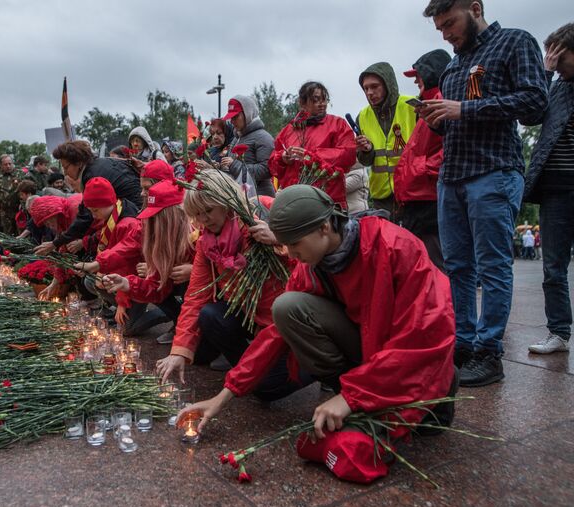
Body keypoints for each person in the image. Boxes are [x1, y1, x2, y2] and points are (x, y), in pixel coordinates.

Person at [178, 185, 456, 484]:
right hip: (365, 349)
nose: (291, 254)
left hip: (405, 358)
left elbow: (424, 336)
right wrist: (224, 395)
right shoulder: (311, 265)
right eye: (285, 245)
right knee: (287, 308)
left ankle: (428, 396)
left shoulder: (396, 247)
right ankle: (345, 392)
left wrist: (351, 398)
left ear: (324, 227)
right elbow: (273, 335)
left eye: (294, 245)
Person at [420, 0, 548, 386]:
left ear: (475, 8)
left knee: (492, 267)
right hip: (453, 175)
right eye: (439, 28)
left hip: (493, 171)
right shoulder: (454, 63)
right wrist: (437, 117)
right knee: (458, 267)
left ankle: (490, 352)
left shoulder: (515, 42)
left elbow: (535, 102)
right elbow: (456, 117)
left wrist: (463, 110)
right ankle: (463, 342)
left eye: (450, 23)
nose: (445, 34)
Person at [156, 170, 289, 383]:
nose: (203, 220)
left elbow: (308, 258)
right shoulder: (206, 242)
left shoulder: (259, 221)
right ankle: (245, 369)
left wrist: (280, 240)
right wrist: (178, 351)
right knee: (210, 314)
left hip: (283, 318)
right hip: (249, 315)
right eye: (197, 214)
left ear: (225, 202)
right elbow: (195, 297)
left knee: (269, 388)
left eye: (208, 211)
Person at [523, 25, 574, 353]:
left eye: (558, 54)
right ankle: (559, 332)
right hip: (556, 188)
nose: (553, 60)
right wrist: (544, 74)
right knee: (553, 267)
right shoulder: (554, 88)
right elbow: (530, 116)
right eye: (549, 54)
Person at [103, 180, 196, 345]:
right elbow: (156, 287)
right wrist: (126, 283)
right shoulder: (161, 241)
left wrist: (194, 270)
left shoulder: (196, 237)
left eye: (155, 218)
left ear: (171, 217)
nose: (150, 224)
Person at [394, 49, 453, 271]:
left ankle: (446, 306)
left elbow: (454, 148)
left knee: (437, 267)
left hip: (430, 200)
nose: (417, 79)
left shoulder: (442, 101)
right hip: (418, 200)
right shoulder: (428, 104)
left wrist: (418, 169)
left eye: (419, 74)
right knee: (425, 266)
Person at [34, 140, 142, 257]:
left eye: (66, 167)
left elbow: (85, 216)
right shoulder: (98, 164)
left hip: (135, 216)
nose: (65, 172)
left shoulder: (91, 176)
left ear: (79, 163)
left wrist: (55, 243)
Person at [69, 178, 147, 334]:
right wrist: (94, 268)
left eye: (95, 210)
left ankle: (161, 315)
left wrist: (122, 302)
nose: (93, 215)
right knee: (92, 280)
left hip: (139, 280)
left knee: (128, 331)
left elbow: (127, 264)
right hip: (124, 279)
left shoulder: (127, 223)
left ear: (107, 202)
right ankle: (123, 309)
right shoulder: (113, 216)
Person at [268, 81, 356, 205]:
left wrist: (311, 156)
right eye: (316, 100)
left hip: (327, 199)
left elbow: (348, 156)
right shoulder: (289, 130)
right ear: (302, 103)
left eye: (325, 99)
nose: (322, 104)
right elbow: (272, 165)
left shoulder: (337, 124)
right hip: (294, 200)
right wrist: (283, 158)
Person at [356, 62, 417, 219]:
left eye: (375, 86)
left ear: (388, 84)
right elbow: (366, 161)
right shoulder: (362, 116)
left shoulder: (412, 106)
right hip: (382, 197)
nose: (370, 92)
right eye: (365, 88)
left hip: (413, 192)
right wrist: (367, 151)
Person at [220, 95, 276, 197]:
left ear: (248, 114)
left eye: (235, 117)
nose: (232, 121)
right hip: (242, 197)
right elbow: (232, 169)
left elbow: (267, 170)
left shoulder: (263, 137)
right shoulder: (237, 137)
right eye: (231, 118)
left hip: (259, 199)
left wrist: (234, 165)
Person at [0, 154, 25, 235]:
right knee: (7, 236)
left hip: (20, 211)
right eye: (5, 164)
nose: (8, 166)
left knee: (22, 235)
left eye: (10, 164)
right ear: (1, 165)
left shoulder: (20, 174)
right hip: (4, 213)